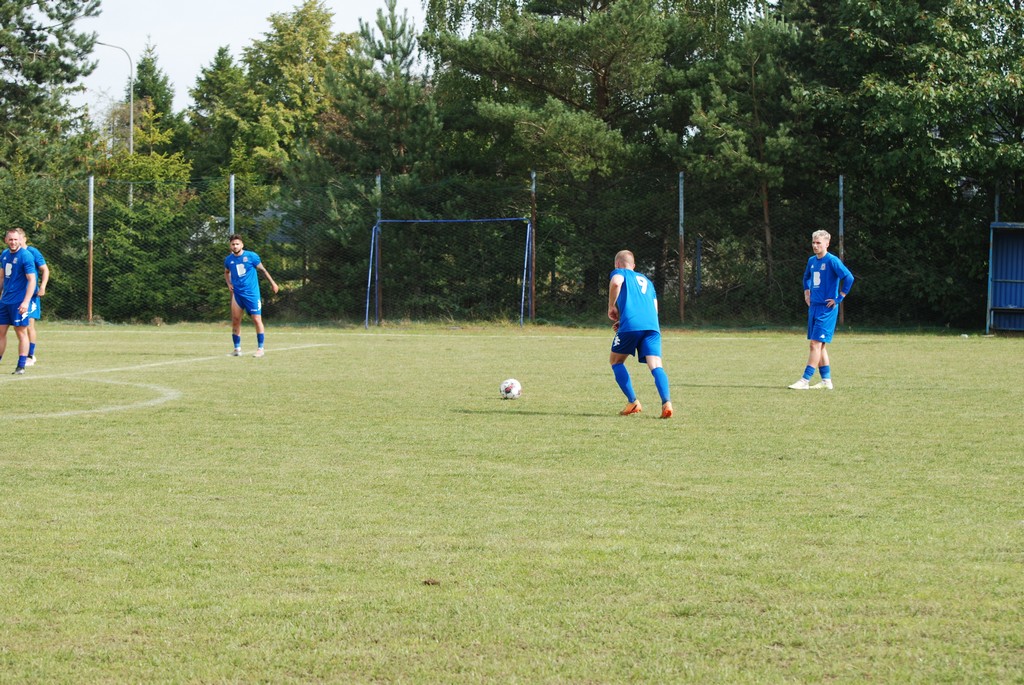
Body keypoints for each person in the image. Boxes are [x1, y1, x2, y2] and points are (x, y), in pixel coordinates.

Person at [608, 249, 673, 418]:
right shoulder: (648, 281)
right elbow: (654, 308)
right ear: (634, 265)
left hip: (631, 326)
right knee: (656, 365)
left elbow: (616, 283)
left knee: (616, 361)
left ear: (617, 264)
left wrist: (611, 306)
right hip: (652, 326)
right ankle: (667, 403)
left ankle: (633, 402)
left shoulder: (620, 272)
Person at [788, 229, 854, 390]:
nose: (815, 245)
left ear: (827, 244)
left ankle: (805, 380)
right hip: (814, 307)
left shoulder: (832, 261)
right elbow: (806, 277)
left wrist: (839, 297)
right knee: (820, 345)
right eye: (813, 242)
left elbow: (849, 277)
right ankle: (826, 381)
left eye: (818, 243)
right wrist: (807, 292)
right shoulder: (812, 261)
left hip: (827, 309)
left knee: (815, 344)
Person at [224, 234, 279, 358]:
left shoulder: (251, 256)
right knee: (235, 320)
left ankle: (260, 348)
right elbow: (226, 272)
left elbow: (263, 270)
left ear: (242, 245)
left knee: (256, 319)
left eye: (237, 244)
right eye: (233, 244)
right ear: (230, 246)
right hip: (237, 294)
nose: (235, 246)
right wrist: (229, 284)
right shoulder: (228, 260)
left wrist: (273, 283)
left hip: (252, 294)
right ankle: (237, 349)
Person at [0, 228, 38, 374]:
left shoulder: (26, 256)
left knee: (21, 332)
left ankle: (21, 366)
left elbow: (32, 280)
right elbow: (2, 277)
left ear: (20, 240)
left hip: (19, 301)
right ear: (6, 240)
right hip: (5, 301)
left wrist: (26, 302)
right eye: (10, 239)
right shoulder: (4, 254)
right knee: (1, 332)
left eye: (16, 239)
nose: (13, 242)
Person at [19, 229, 48, 366]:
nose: (16, 241)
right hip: (16, 296)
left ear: (25, 239)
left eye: (19, 238)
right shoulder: (10, 254)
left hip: (31, 296)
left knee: (29, 325)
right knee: (18, 327)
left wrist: (42, 286)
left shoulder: (32, 252)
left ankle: (30, 355)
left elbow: (45, 269)